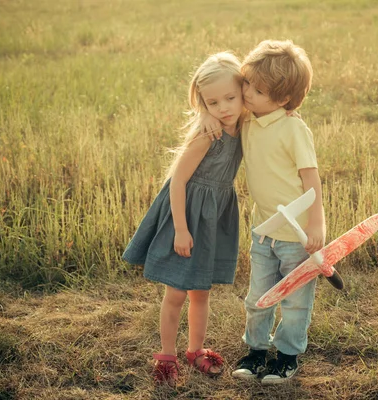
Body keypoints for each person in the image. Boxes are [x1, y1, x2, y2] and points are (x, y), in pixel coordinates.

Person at [201, 39, 325, 385]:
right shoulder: (249, 120)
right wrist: (204, 117)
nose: (246, 93)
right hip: (263, 230)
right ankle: (256, 351)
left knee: (295, 300)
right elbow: (218, 108)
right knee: (258, 297)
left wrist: (317, 223)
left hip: (296, 236)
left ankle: (286, 357)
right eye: (247, 83)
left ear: (283, 99)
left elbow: (311, 179)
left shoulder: (293, 128)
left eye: (256, 89)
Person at [122, 52, 245, 386]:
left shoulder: (244, 124)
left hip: (212, 219)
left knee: (201, 291)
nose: (224, 108)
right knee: (176, 292)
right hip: (186, 215)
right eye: (213, 102)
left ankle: (195, 350)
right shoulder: (209, 135)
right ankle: (166, 357)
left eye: (231, 98)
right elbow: (177, 181)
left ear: (243, 93)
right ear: (202, 103)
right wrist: (180, 229)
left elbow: (269, 108)